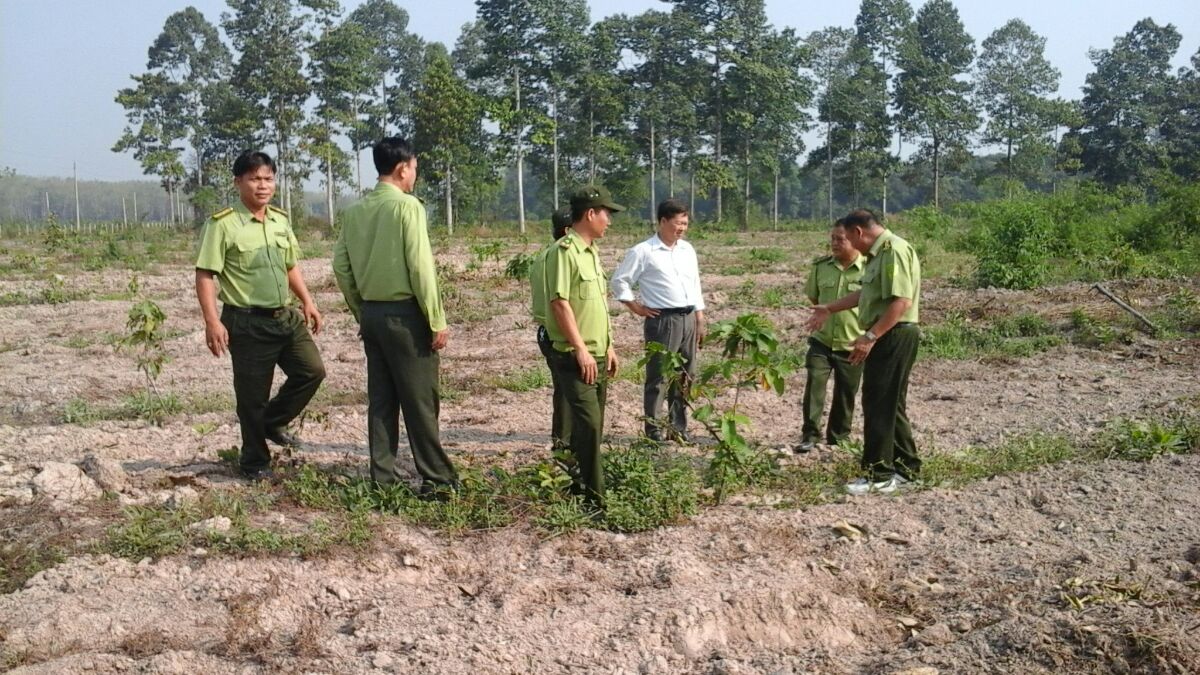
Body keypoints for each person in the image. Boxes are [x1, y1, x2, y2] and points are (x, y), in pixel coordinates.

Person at [332, 137, 458, 495]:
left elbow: (340, 266)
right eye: (415, 168)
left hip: (372, 314)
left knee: (382, 400)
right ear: (403, 168)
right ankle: (438, 480)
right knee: (420, 401)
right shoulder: (407, 207)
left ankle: (382, 479)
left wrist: (362, 309)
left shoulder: (355, 211)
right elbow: (420, 267)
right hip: (406, 317)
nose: (415, 175)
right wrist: (436, 318)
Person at [195, 150, 326, 481]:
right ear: (238, 182)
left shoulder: (280, 220)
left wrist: (307, 301)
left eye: (268, 178)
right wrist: (212, 321)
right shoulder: (222, 225)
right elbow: (206, 274)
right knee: (252, 397)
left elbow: (290, 265)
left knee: (312, 371)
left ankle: (272, 422)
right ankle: (254, 460)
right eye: (255, 178)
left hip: (285, 316)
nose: (262, 185)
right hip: (247, 321)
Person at [806, 209, 922, 494]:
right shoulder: (878, 255)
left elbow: (901, 302)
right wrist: (830, 307)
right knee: (891, 404)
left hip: (894, 334)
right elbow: (867, 294)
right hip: (888, 332)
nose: (850, 246)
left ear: (859, 232)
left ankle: (878, 475)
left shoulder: (893, 251)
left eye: (848, 239)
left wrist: (870, 336)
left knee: (878, 403)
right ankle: (907, 469)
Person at [545, 185, 623, 509]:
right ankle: (596, 499)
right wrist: (580, 349)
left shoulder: (592, 253)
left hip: (599, 354)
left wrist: (611, 346)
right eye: (606, 213)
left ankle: (576, 486)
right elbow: (559, 303)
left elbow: (599, 305)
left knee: (592, 426)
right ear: (590, 214)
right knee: (589, 425)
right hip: (575, 357)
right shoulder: (563, 252)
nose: (609, 221)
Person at [610, 198, 705, 443]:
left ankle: (678, 427)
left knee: (685, 374)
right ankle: (653, 430)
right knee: (659, 376)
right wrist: (635, 306)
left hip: (688, 319)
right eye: (677, 223)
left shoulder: (687, 250)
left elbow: (695, 285)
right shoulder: (644, 251)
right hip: (663, 321)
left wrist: (700, 317)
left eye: (685, 223)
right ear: (662, 221)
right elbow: (620, 280)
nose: (682, 228)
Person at [796, 219, 866, 453]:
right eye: (832, 239)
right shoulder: (821, 267)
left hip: (852, 342)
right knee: (815, 384)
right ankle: (810, 434)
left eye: (841, 239)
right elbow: (815, 299)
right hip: (822, 341)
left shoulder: (869, 269)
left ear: (855, 239)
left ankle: (838, 437)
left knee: (846, 392)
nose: (835, 244)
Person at [529, 208, 573, 453]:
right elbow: (559, 304)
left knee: (565, 390)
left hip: (547, 331)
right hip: (560, 333)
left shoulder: (543, 256)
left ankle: (565, 442)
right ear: (567, 231)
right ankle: (564, 445)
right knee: (567, 392)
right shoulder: (559, 258)